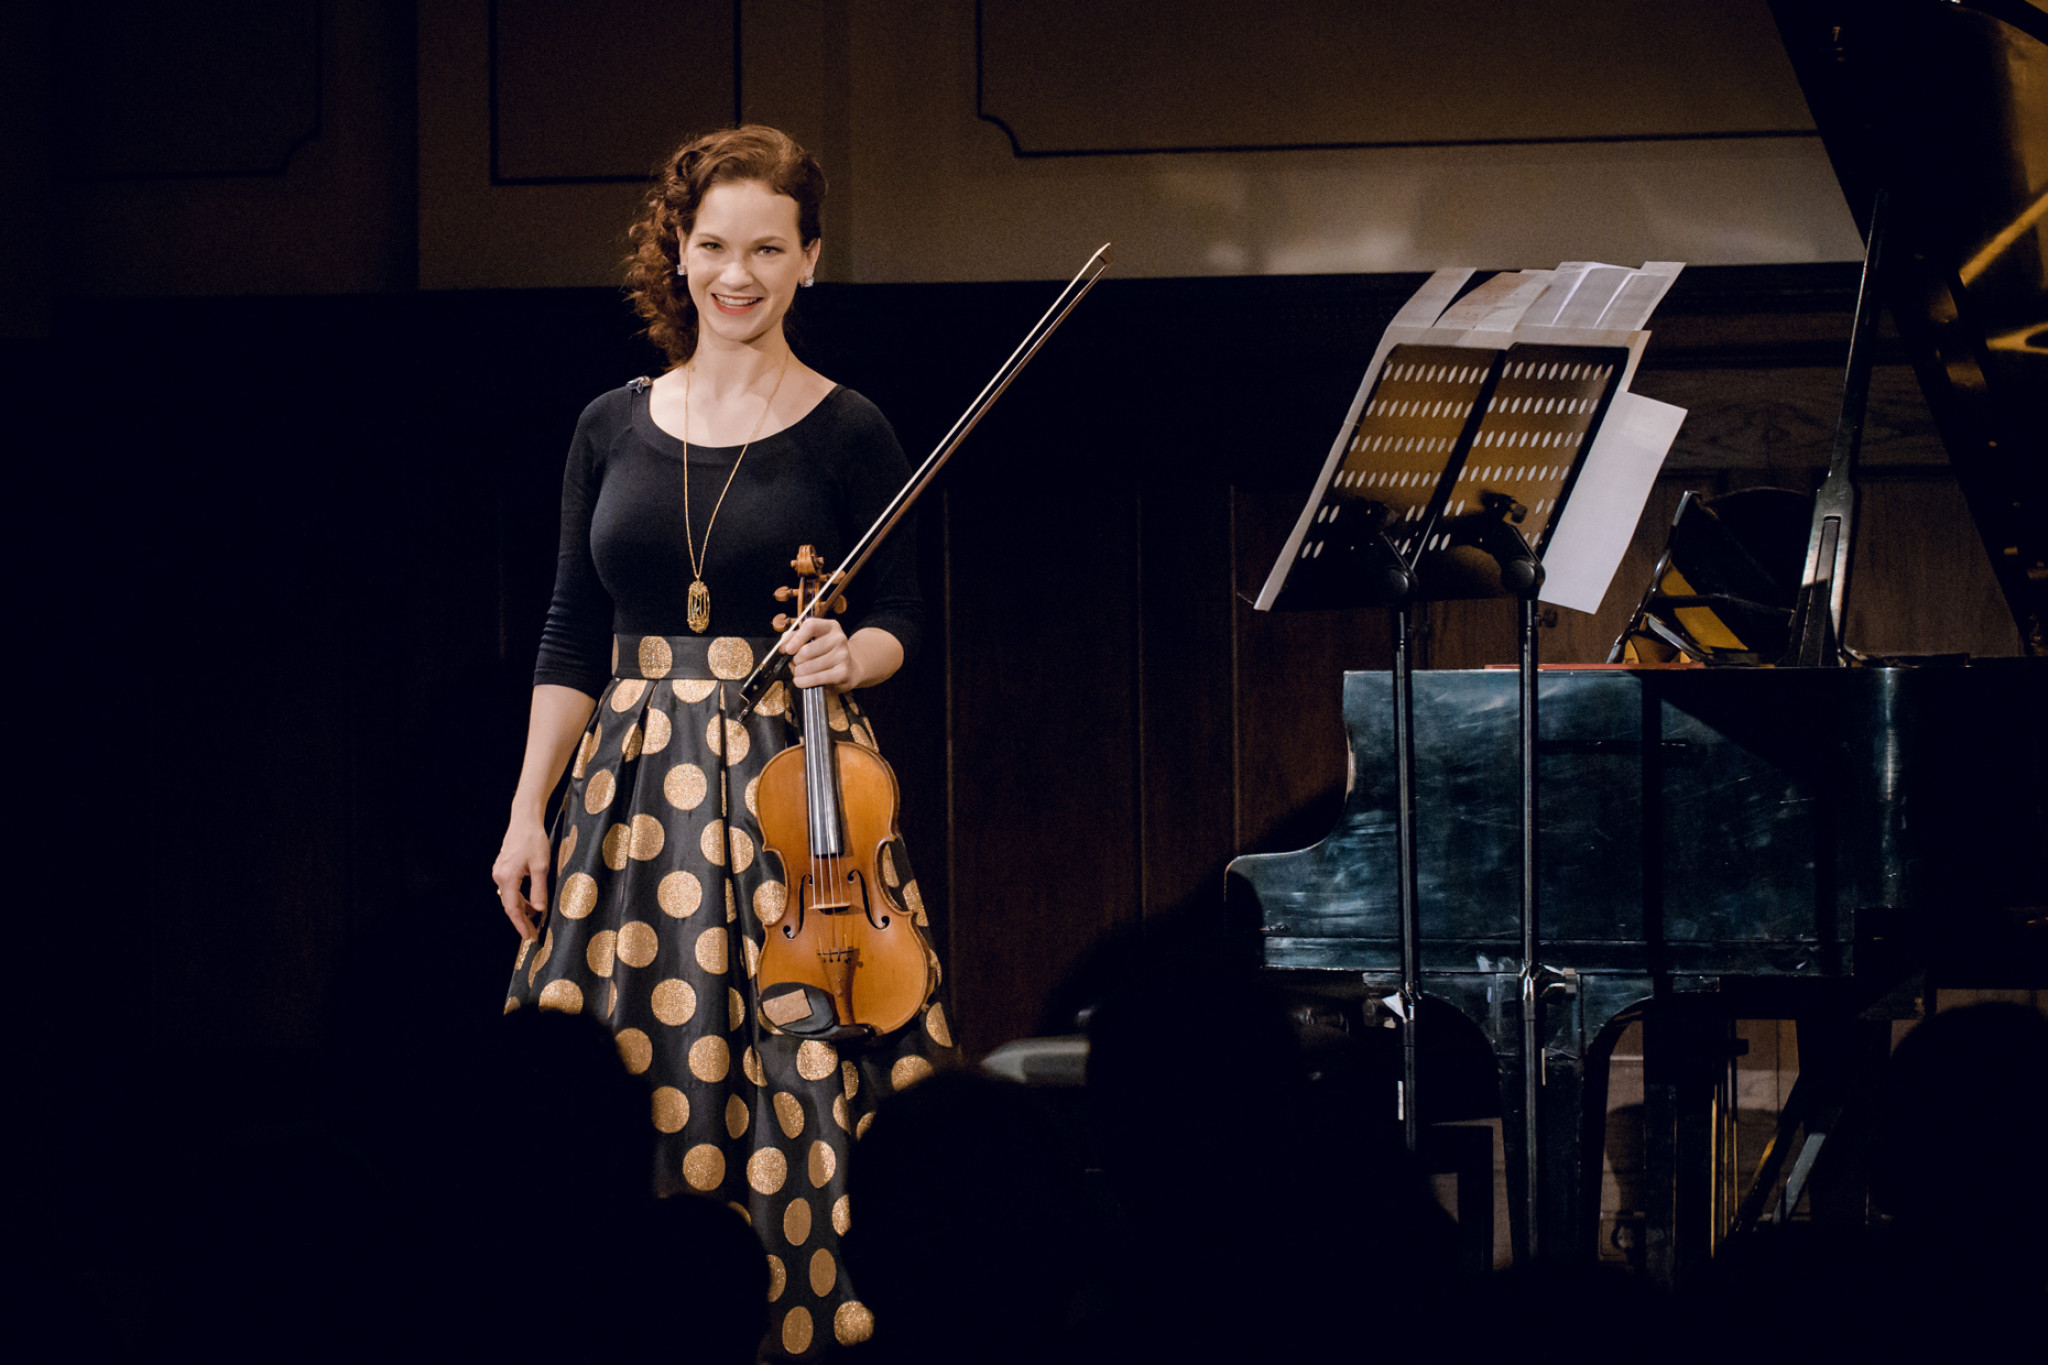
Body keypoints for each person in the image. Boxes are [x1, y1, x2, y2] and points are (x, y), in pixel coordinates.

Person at [491, 125, 956, 1361]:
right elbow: (569, 629)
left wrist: (844, 655)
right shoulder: (608, 423)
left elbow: (901, 614)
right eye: (711, 247)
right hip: (628, 794)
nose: (735, 275)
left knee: (795, 1059)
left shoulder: (848, 428)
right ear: (678, 252)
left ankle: (810, 1321)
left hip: (792, 785)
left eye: (766, 248)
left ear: (809, 258)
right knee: (628, 1057)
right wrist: (527, 810)